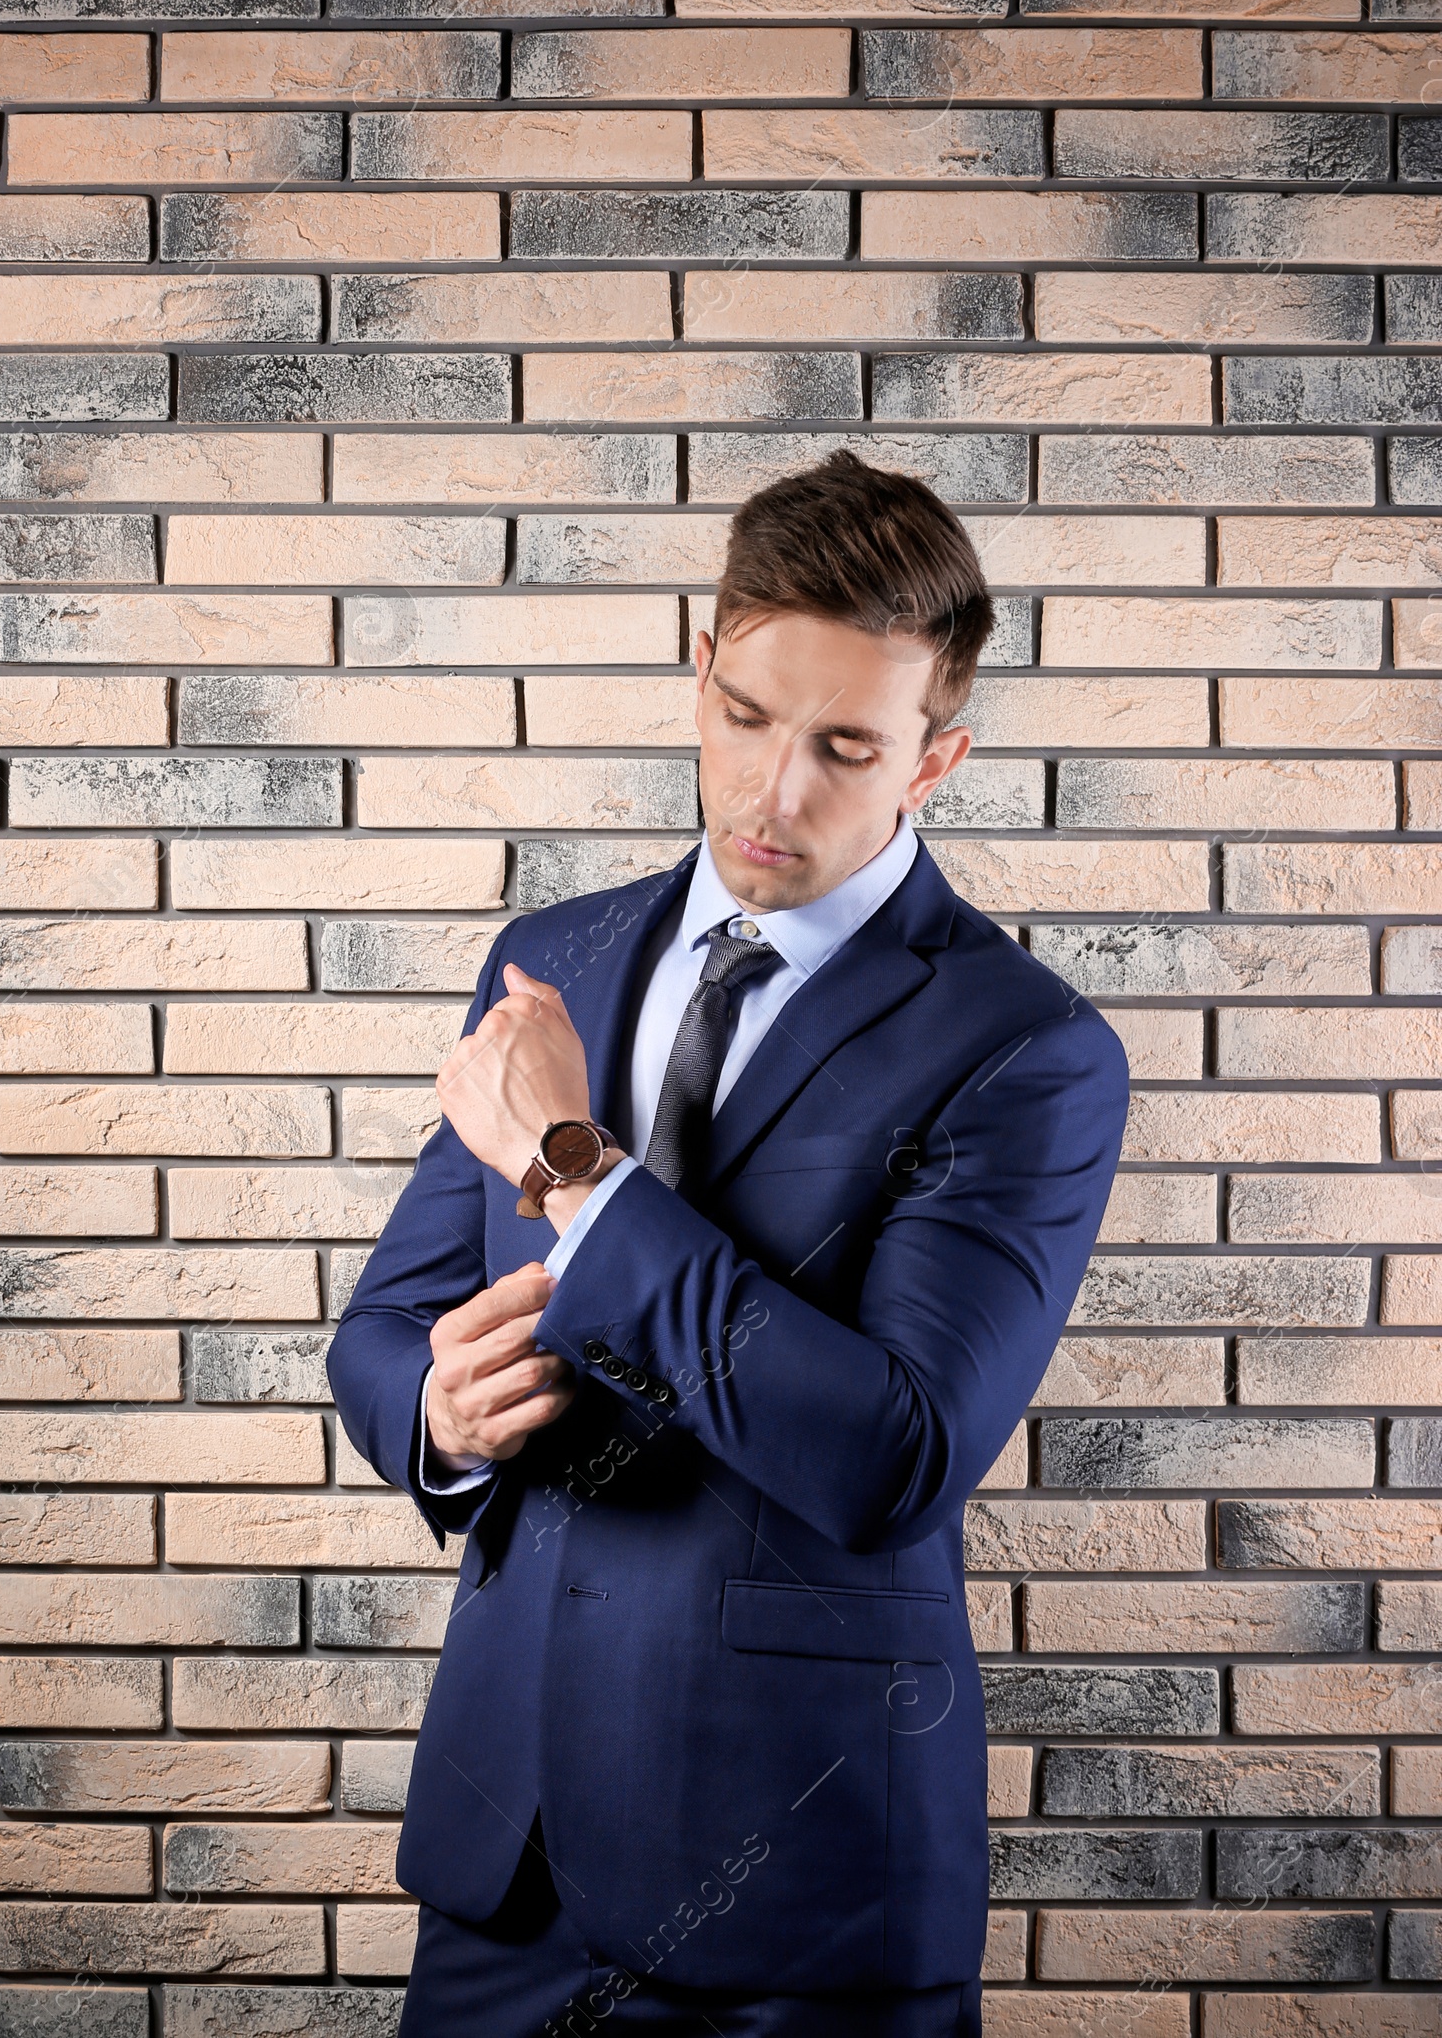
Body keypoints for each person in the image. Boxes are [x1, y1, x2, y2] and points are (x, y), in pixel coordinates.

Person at [327, 449, 1130, 2037]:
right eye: (750, 718)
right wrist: (437, 1419)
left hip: (804, 1889)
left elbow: (893, 1453)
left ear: (936, 757)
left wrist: (580, 1171)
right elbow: (388, 1325)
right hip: (511, 1861)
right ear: (701, 667)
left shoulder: (1026, 1049)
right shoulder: (550, 959)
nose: (777, 792)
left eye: (845, 746)